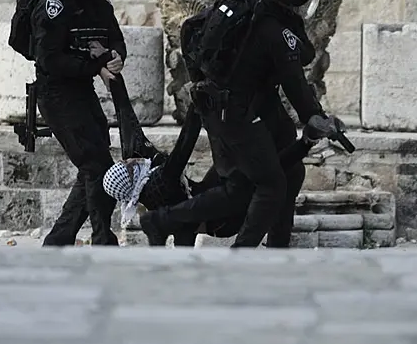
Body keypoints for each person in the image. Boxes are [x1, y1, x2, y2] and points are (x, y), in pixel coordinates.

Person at [139, 0, 346, 249]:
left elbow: (194, 29)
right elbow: (296, 83)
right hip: (235, 112)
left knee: (287, 174)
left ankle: (276, 250)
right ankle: (235, 252)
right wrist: (316, 118)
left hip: (240, 104)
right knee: (269, 184)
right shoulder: (271, 26)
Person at [102, 103, 338, 246]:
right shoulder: (159, 184)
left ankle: (307, 140)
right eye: (129, 166)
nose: (132, 160)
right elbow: (184, 146)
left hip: (204, 200)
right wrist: (196, 109)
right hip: (222, 218)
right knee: (260, 176)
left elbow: (128, 125)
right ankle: (307, 141)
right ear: (131, 181)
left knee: (256, 168)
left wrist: (115, 79)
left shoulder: (147, 187)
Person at [33, 0, 126, 246]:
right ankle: (102, 239)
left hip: (82, 92)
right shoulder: (54, 5)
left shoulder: (98, 2)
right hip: (56, 94)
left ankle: (59, 239)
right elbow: (50, 59)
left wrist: (115, 58)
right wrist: (95, 65)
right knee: (99, 167)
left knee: (94, 166)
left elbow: (115, 37)